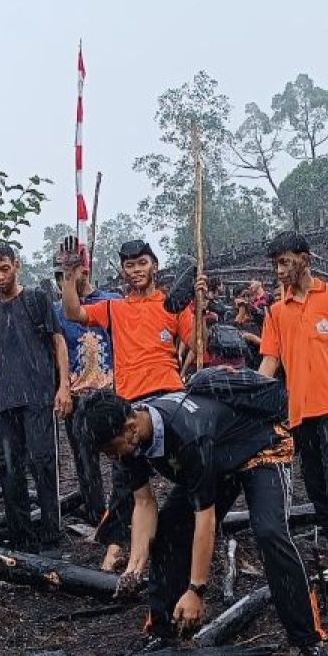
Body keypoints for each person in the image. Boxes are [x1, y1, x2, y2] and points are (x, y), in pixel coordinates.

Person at [75, 374, 328, 656]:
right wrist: (134, 567)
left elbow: (205, 519)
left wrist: (197, 590)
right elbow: (144, 504)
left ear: (130, 430)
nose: (111, 458)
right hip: (216, 460)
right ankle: (164, 630)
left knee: (269, 532)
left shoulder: (184, 434)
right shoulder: (131, 440)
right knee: (170, 530)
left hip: (259, 447)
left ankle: (310, 644)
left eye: (111, 451)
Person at [61, 238, 194, 569]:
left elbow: (196, 342)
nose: (137, 271)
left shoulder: (172, 305)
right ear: (122, 270)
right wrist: (68, 275)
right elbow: (73, 312)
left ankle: (194, 535)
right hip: (130, 402)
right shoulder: (113, 307)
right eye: (130, 265)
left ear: (155, 265)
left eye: (142, 263)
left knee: (188, 469)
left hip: (170, 398)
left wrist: (199, 305)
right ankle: (118, 546)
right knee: (127, 479)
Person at [257, 232, 328, 589]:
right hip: (298, 410)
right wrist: (249, 399)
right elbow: (270, 362)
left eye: (285, 262)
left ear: (305, 259)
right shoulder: (276, 312)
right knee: (316, 484)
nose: (279, 271)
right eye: (275, 264)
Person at [0, 242, 72, 554]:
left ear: (17, 265)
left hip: (39, 396)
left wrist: (64, 385)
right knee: (9, 469)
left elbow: (59, 342)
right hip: (5, 401)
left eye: (4, 268)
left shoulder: (36, 300)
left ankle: (51, 537)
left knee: (43, 463)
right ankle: (21, 539)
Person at [52, 240, 120, 525]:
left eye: (69, 272)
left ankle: (123, 512)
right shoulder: (57, 312)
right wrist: (63, 388)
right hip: (77, 394)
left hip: (109, 392)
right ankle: (97, 517)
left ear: (85, 270)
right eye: (58, 276)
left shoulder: (112, 302)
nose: (63, 281)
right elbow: (60, 353)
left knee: (121, 455)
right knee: (84, 459)